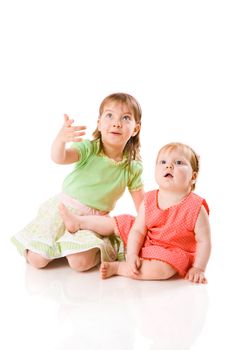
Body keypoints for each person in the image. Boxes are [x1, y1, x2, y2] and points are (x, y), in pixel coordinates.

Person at [11, 93, 144, 271]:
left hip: (92, 220)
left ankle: (88, 247)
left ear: (135, 129)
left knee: (80, 264)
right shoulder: (90, 149)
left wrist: (150, 230)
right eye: (109, 115)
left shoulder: (131, 167)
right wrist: (60, 140)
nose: (116, 123)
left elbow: (142, 206)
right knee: (37, 260)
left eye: (125, 118)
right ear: (99, 123)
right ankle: (59, 246)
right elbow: (60, 157)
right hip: (64, 209)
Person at [59, 142, 211, 283]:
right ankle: (79, 222)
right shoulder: (150, 199)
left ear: (193, 176)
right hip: (147, 238)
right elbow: (138, 231)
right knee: (120, 222)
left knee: (163, 270)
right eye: (163, 162)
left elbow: (204, 241)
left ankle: (119, 268)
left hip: (172, 251)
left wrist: (198, 268)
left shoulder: (195, 207)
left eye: (179, 163)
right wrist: (132, 254)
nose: (169, 166)